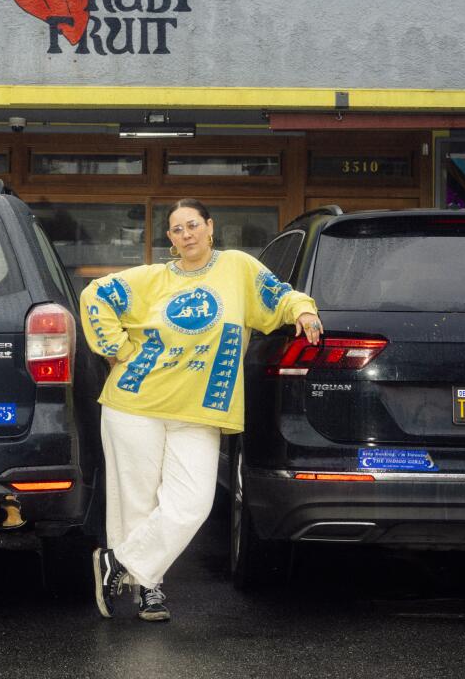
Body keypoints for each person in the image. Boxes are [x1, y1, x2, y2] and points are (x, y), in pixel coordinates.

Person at [79, 198, 322, 622]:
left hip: (201, 410)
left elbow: (279, 296)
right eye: (176, 229)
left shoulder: (238, 269)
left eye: (193, 225)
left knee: (192, 503)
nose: (186, 234)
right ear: (170, 239)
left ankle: (118, 563)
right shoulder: (153, 278)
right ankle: (148, 589)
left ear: (210, 227)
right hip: (136, 402)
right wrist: (117, 349)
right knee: (136, 501)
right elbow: (94, 294)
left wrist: (303, 309)